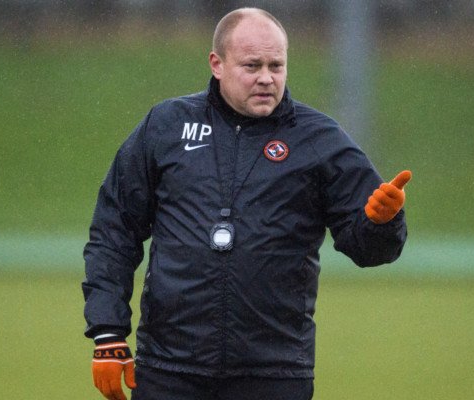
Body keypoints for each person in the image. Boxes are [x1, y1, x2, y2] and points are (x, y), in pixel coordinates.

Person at [83, 7, 411, 400]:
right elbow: (114, 229)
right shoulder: (167, 126)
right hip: (170, 370)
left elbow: (368, 249)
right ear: (217, 64)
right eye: (252, 65)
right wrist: (108, 333)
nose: (266, 78)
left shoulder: (320, 139)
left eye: (277, 65)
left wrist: (382, 223)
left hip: (275, 373)